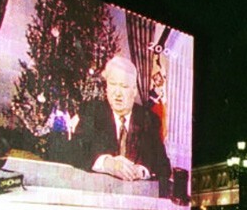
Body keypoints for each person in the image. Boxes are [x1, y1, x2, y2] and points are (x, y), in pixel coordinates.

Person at [68, 55, 172, 197]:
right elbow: (73, 152)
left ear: (134, 90)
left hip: (135, 202)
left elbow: (164, 167)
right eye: (112, 84)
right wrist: (108, 164)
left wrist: (142, 171)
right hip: (98, 197)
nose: (117, 93)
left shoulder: (149, 120)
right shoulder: (92, 111)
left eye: (123, 86)